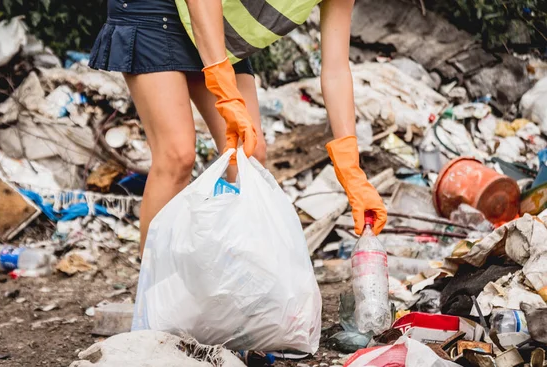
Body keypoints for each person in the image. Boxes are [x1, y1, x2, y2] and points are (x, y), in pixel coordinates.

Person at [89, 0, 387, 256]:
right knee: (177, 155)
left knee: (249, 155)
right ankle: (152, 301)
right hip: (157, 9)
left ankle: (236, 289)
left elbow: (335, 70)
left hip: (222, 31)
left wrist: (351, 170)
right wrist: (224, 90)